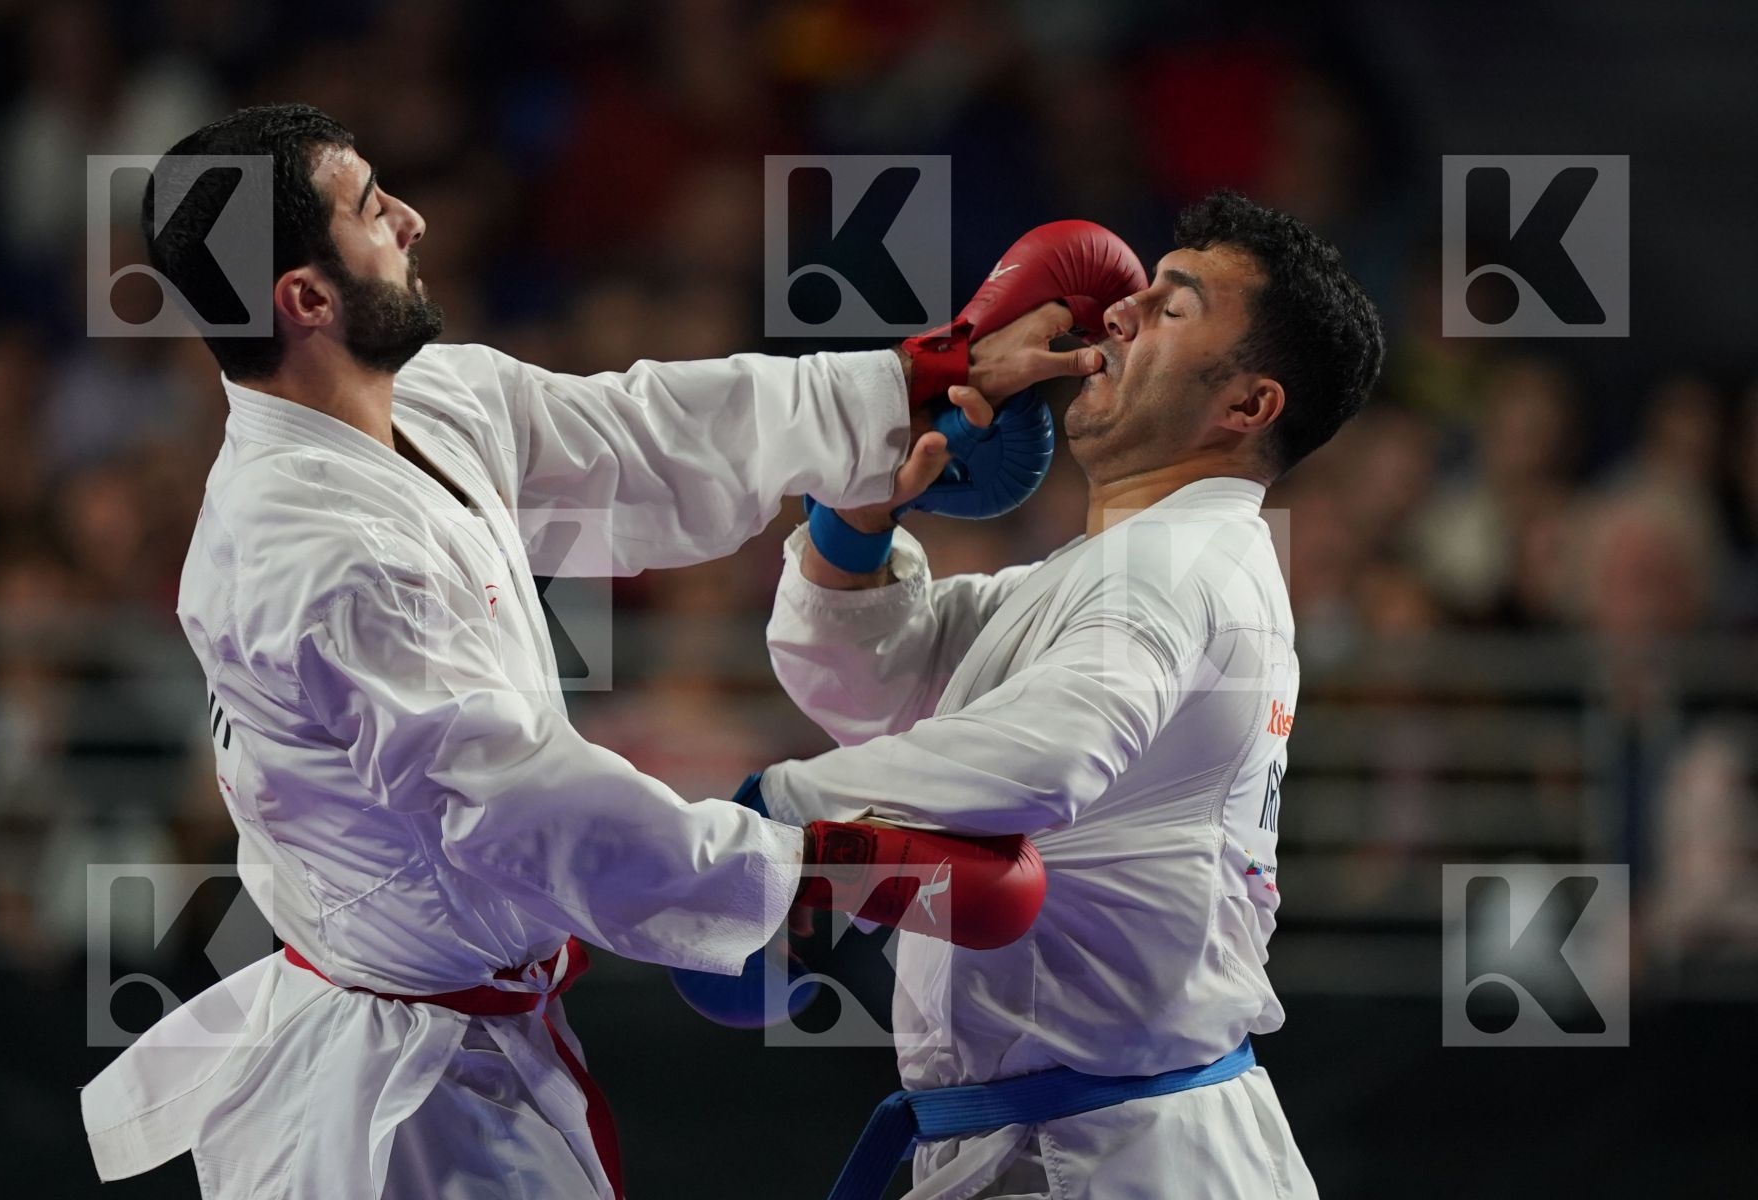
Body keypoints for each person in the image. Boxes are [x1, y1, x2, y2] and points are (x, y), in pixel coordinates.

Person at [78, 103, 1112, 1199]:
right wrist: (811, 869)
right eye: (375, 209)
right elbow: (519, 801)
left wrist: (906, 384)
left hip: (467, 1041)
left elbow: (642, 439)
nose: (416, 221)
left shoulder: (419, 398)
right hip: (402, 1117)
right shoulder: (317, 558)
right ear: (307, 297)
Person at [744, 191, 1385, 1199]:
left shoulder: (1179, 568)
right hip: (1072, 1140)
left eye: (1169, 308)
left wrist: (772, 823)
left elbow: (1041, 757)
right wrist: (855, 524)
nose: (1115, 313)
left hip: (1118, 1155)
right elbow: (872, 682)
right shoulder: (1108, 574)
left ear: (1247, 406)